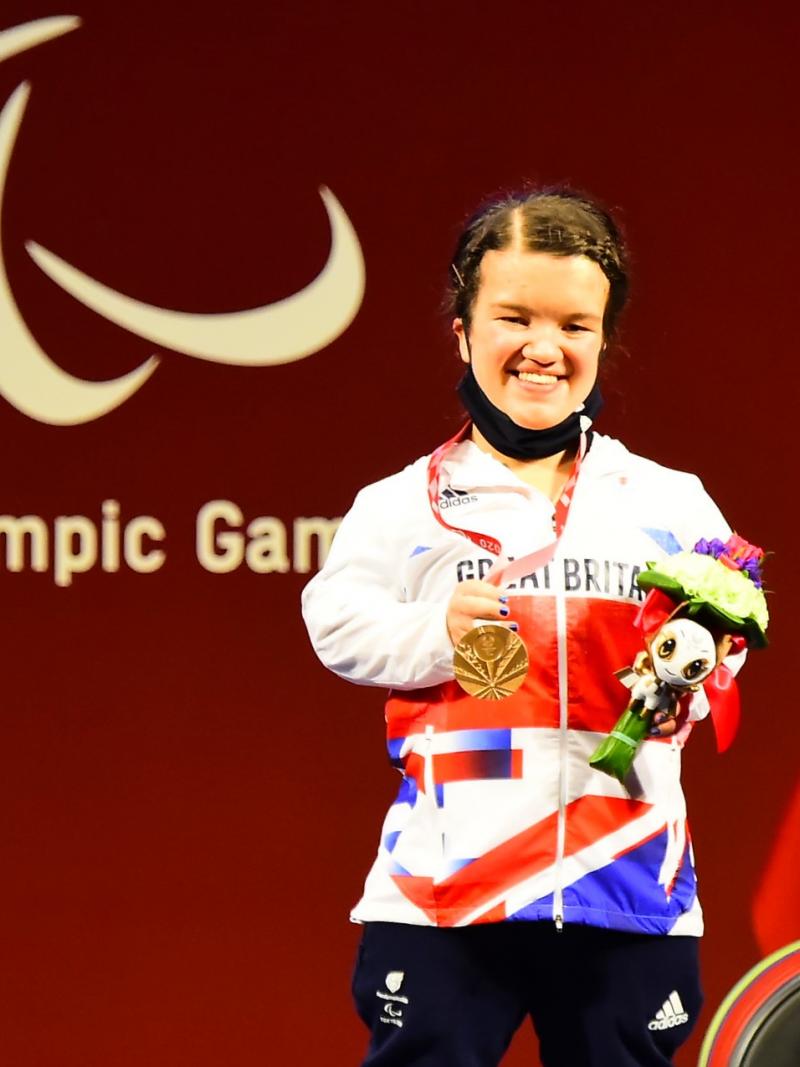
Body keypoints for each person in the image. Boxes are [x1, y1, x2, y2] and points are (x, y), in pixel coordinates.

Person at [302, 189, 743, 1067]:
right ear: (463, 331)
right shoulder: (398, 504)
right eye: (514, 317)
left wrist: (691, 685)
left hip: (629, 884)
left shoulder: (671, 500)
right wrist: (438, 632)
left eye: (576, 325)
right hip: (446, 891)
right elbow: (335, 623)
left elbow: (725, 657)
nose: (546, 348)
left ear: (603, 339)